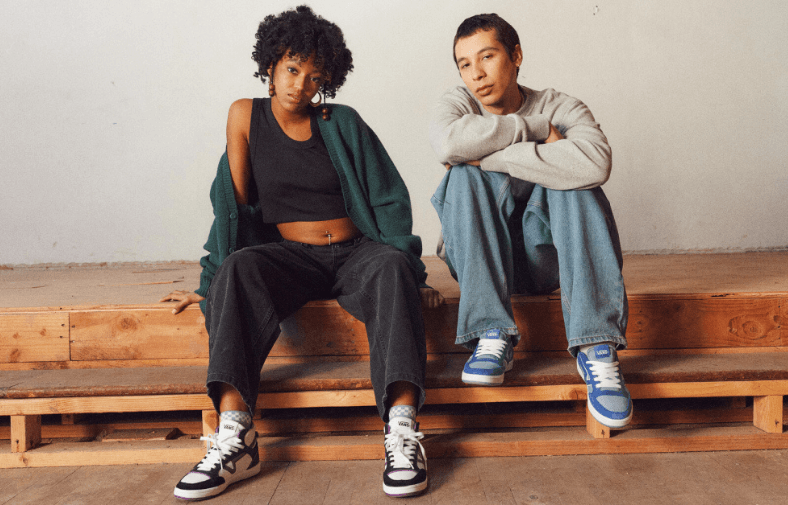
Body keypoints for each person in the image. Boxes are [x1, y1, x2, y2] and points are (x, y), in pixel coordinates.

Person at [161, 6, 440, 500]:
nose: (299, 85)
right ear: (270, 64)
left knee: (392, 266)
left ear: (326, 82)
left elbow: (388, 198)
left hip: (358, 252)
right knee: (238, 266)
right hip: (290, 255)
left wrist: (414, 276)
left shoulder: (342, 122)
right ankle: (236, 436)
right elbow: (233, 208)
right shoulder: (245, 115)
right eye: (292, 69)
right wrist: (211, 284)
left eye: (314, 77)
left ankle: (401, 429)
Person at [428, 13, 632, 429]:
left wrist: (490, 155)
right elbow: (449, 143)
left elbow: (595, 163)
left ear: (516, 55)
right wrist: (536, 130)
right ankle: (490, 333)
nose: (477, 74)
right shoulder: (458, 104)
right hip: (478, 258)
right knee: (464, 174)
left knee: (572, 182)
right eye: (465, 64)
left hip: (548, 261)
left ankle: (596, 347)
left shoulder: (562, 105)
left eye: (487, 56)